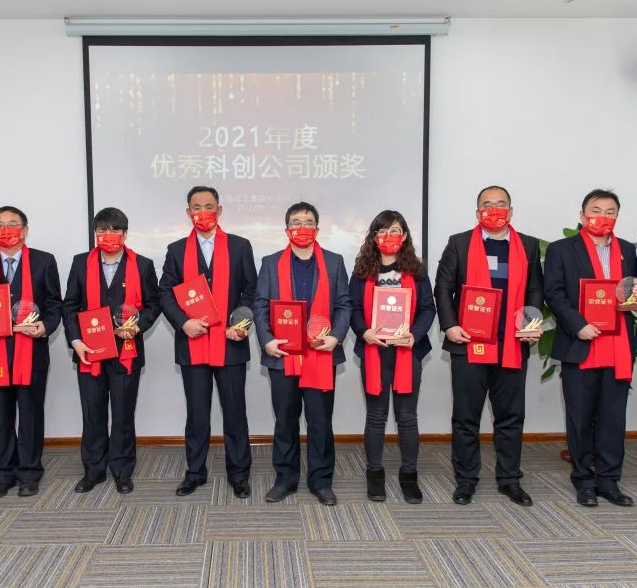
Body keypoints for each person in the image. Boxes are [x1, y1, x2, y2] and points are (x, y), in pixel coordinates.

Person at [435, 185, 543, 506]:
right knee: (466, 417)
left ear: (511, 211)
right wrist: (450, 325)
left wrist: (531, 323)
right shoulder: (459, 243)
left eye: (501, 204)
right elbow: (443, 287)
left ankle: (509, 479)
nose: (494, 209)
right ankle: (466, 480)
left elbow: (535, 290)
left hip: (511, 344)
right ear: (477, 211)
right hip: (469, 342)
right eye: (487, 204)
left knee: (510, 416)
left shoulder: (528, 245)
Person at [544, 190, 637, 507]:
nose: (602, 216)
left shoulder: (627, 250)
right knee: (580, 417)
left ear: (617, 216)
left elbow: (629, 291)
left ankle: (609, 481)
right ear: (582, 214)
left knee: (612, 417)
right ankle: (583, 480)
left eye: (610, 211)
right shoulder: (562, 249)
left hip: (618, 345)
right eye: (596, 209)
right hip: (581, 342)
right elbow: (554, 293)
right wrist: (578, 324)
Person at [159, 186, 257, 499]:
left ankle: (239, 474)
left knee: (235, 412)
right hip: (193, 343)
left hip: (230, 344)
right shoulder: (176, 250)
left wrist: (240, 324)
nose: (203, 212)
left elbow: (251, 291)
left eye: (209, 206)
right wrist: (183, 322)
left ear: (220, 210)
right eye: (197, 207)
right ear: (188, 212)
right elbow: (165, 293)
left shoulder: (240, 246)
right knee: (197, 414)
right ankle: (195, 472)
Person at [0, 206, 62, 498]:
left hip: (32, 353)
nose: (7, 230)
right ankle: (2, 474)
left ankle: (29, 473)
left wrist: (45, 326)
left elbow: (54, 304)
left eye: (13, 224)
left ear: (25, 230)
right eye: (0, 225)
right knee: (0, 415)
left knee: (30, 414)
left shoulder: (43, 261)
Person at [254, 202, 351, 505]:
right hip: (283, 354)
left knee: (320, 421)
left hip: (321, 354)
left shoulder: (334, 262)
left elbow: (344, 304)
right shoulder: (271, 263)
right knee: (285, 419)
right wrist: (267, 340)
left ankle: (321, 481)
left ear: (317, 229)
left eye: (308, 222)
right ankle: (285, 479)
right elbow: (260, 305)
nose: (302, 227)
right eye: (296, 222)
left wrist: (336, 336)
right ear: (287, 229)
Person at [63, 207, 161, 495]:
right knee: (92, 413)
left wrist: (138, 326)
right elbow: (70, 305)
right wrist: (75, 341)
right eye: (102, 230)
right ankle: (93, 470)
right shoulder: (80, 263)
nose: (108, 235)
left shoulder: (142, 265)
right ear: (95, 234)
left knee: (122, 414)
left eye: (114, 230)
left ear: (125, 234)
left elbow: (153, 304)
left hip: (125, 351)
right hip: (89, 351)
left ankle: (122, 470)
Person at [349, 210, 436, 504]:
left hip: (407, 353)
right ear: (374, 237)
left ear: (405, 235)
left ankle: (409, 475)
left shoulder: (417, 271)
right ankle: (374, 474)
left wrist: (415, 335)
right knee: (376, 417)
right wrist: (364, 332)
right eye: (383, 231)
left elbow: (428, 309)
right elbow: (353, 308)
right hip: (374, 352)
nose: (389, 236)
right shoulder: (362, 271)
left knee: (407, 418)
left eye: (395, 230)